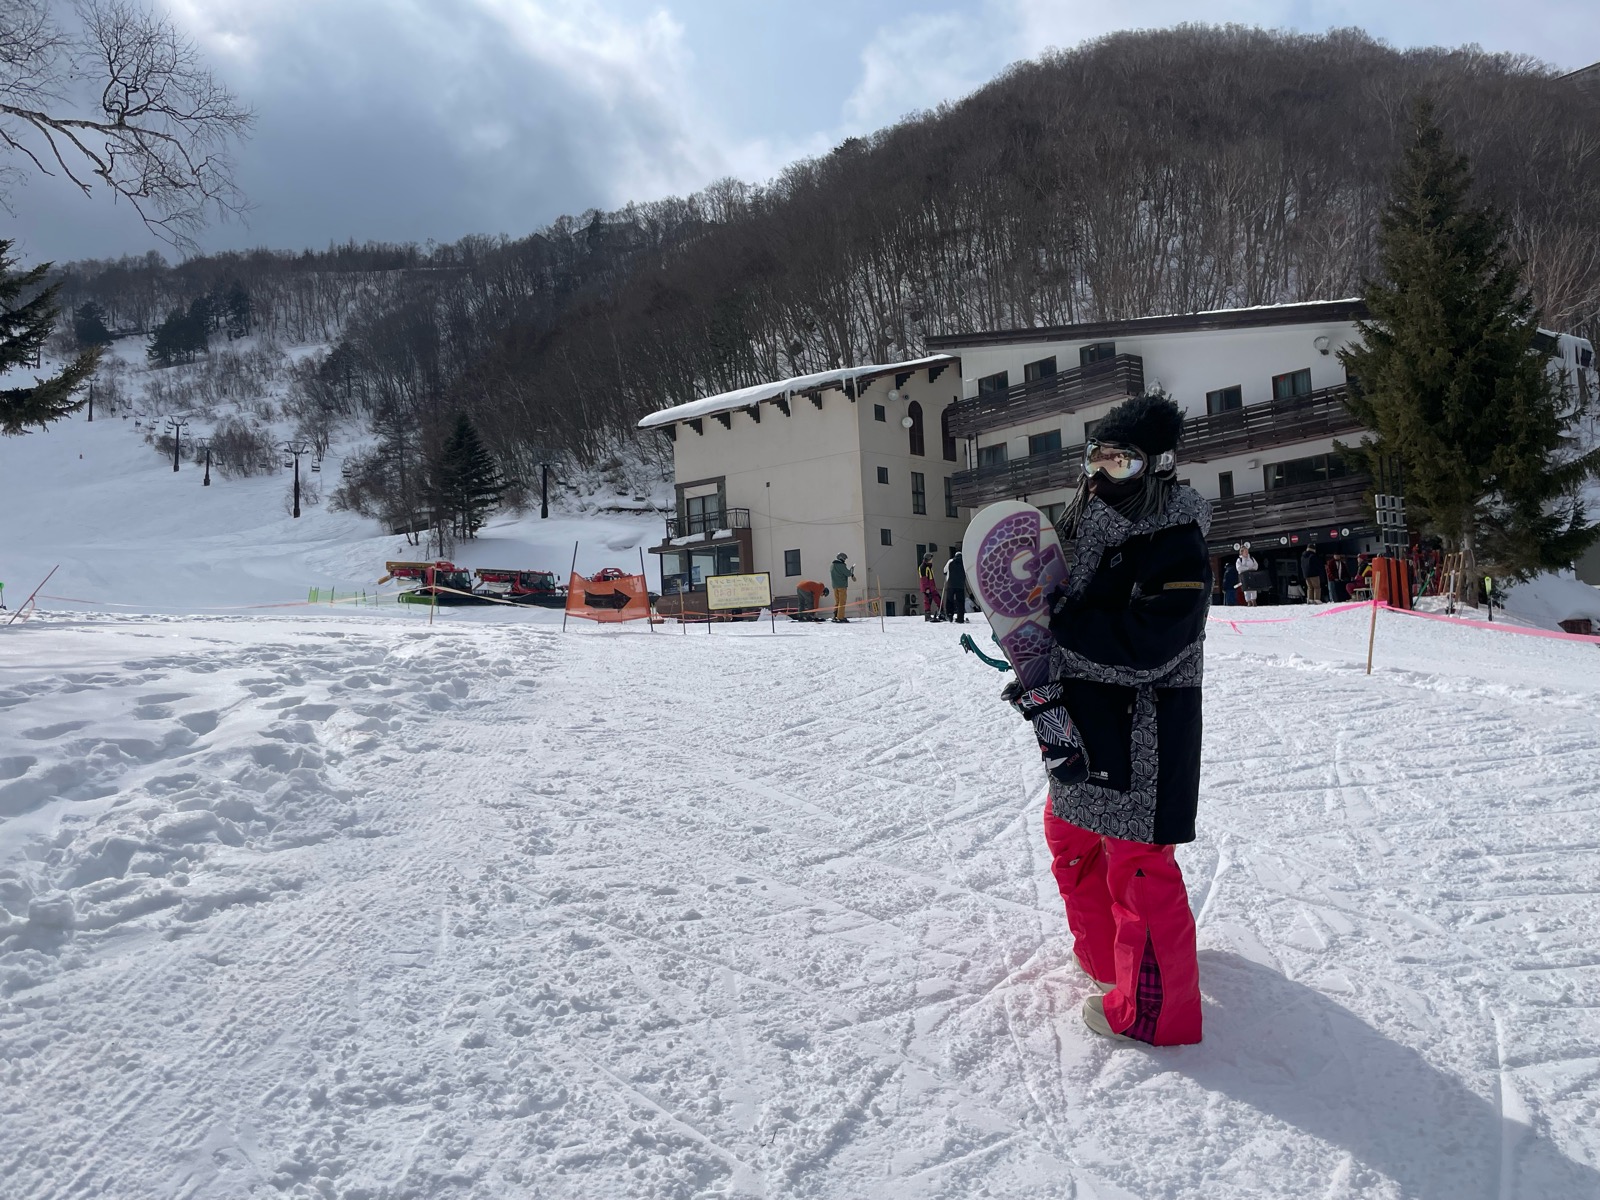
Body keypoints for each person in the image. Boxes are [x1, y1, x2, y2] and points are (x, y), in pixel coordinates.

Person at [1018, 394, 1210, 1046]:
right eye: (1097, 458)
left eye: (1121, 461)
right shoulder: (1083, 530)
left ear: (1155, 467)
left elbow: (1154, 642)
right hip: (1084, 719)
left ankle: (1153, 1011)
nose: (1103, 474)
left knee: (1137, 866)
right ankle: (1108, 964)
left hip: (1143, 731)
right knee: (1068, 837)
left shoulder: (1174, 542)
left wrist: (1065, 622)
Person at [829, 553, 855, 622]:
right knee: (842, 602)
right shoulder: (841, 565)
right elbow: (848, 573)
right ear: (842, 558)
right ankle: (840, 617)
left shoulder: (832, 565)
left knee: (837, 601)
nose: (845, 560)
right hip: (842, 586)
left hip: (835, 586)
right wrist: (852, 570)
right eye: (845, 559)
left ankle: (835, 615)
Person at [944, 550, 967, 623]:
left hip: (951, 584)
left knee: (949, 600)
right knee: (960, 601)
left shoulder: (950, 561)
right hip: (960, 585)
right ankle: (960, 618)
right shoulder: (964, 563)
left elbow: (944, 571)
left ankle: (950, 615)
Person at [918, 553, 942, 621]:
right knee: (928, 601)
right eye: (931, 559)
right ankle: (927, 615)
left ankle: (941, 612)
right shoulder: (923, 567)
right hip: (928, 588)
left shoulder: (929, 567)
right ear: (928, 559)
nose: (932, 560)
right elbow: (924, 579)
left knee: (938, 598)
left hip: (932, 587)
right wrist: (926, 588)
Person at [1236, 542, 1259, 606]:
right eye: (1245, 551)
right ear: (1242, 552)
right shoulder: (1239, 560)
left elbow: (1256, 565)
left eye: (1247, 551)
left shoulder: (1251, 558)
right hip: (1244, 577)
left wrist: (1252, 569)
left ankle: (1254, 600)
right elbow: (1239, 568)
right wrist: (1247, 568)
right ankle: (1248, 601)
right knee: (1246, 589)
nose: (1246, 552)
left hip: (1252, 575)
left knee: (1253, 588)